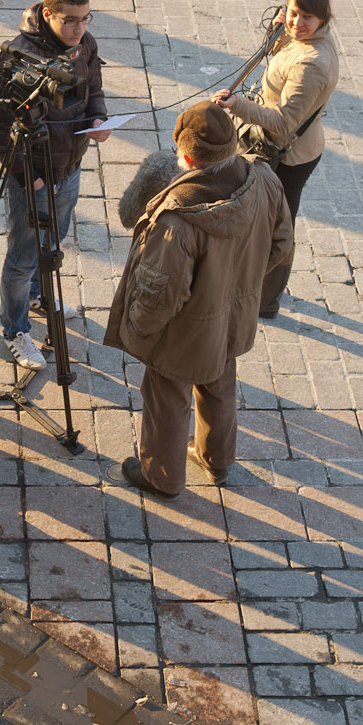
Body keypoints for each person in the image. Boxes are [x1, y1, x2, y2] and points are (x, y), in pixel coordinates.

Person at [105, 102, 293, 499]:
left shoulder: (178, 218)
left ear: (186, 155)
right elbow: (280, 245)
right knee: (219, 382)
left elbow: (161, 295)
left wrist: (138, 329)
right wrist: (239, 281)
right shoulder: (262, 179)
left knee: (166, 399)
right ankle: (216, 459)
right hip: (234, 316)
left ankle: (161, 476)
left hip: (184, 333)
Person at [0, 0, 109, 370]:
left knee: (53, 242)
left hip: (69, 168)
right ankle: (15, 329)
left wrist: (100, 117)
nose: (79, 29)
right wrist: (28, 177)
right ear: (47, 14)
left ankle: (40, 295)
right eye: (70, 20)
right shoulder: (15, 59)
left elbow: (95, 88)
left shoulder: (85, 45)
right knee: (22, 257)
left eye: (86, 19)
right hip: (34, 176)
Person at [213, 0, 339, 318]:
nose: (298, 23)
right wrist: (278, 30)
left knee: (276, 228)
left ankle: (266, 300)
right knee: (267, 222)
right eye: (293, 13)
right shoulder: (304, 38)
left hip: (289, 156)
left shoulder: (311, 63)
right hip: (286, 145)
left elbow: (285, 123)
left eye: (307, 18)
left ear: (322, 19)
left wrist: (238, 105)